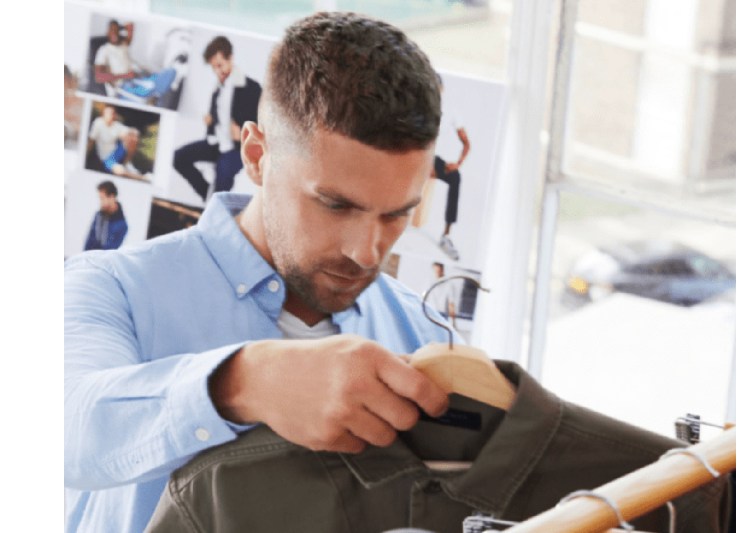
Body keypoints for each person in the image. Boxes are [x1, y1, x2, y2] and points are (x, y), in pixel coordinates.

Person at [65, 12, 452, 532]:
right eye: (335, 205)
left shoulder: (424, 335)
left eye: (397, 213)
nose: (367, 252)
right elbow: (64, 428)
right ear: (255, 155)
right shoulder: (111, 287)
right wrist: (244, 382)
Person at [172, 36, 262, 203]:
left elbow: (263, 124)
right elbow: (219, 120)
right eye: (214, 67)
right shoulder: (217, 89)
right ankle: (208, 195)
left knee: (223, 173)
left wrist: (242, 131)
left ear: (231, 58)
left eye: (220, 65)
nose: (217, 71)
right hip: (215, 144)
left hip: (237, 149)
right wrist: (210, 123)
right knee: (178, 157)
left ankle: (216, 204)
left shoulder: (252, 87)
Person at [431, 74, 470, 261]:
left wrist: (458, 163)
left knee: (456, 178)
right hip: (413, 157)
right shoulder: (415, 107)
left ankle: (446, 234)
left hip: (432, 160)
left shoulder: (450, 112)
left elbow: (466, 143)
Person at [84, 180, 128, 251]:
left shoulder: (122, 226)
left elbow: (109, 251)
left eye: (102, 198)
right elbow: (89, 240)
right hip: (89, 258)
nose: (100, 202)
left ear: (111, 197)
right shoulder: (98, 215)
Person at [86, 104, 128, 172]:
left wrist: (125, 136)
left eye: (112, 113)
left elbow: (127, 133)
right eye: (108, 113)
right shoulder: (98, 123)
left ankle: (127, 163)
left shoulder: (117, 125)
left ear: (114, 115)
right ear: (103, 114)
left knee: (132, 138)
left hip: (116, 152)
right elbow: (91, 140)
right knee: (120, 171)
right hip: (106, 157)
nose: (110, 115)